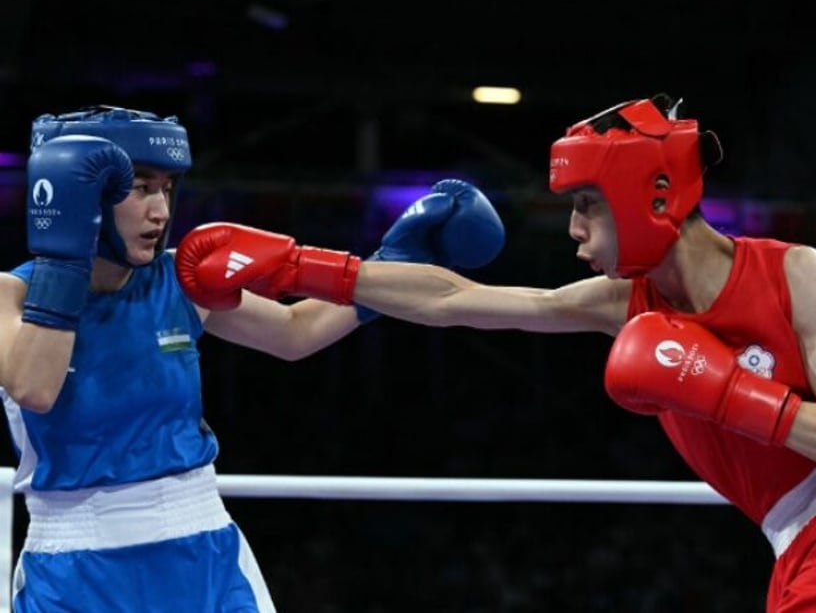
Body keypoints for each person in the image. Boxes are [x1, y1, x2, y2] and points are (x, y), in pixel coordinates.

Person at [177, 93, 816, 611]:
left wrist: (730, 392)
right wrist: (299, 267)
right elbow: (453, 300)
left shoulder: (793, 273)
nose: (574, 229)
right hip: (797, 547)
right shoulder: (620, 305)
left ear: (655, 195)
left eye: (588, 204)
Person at [0, 105, 505, 612]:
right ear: (77, 191)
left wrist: (392, 265)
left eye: (167, 188)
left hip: (202, 548)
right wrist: (64, 259)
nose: (160, 211)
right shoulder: (9, 296)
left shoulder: (177, 279)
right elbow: (36, 389)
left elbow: (296, 331)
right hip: (73, 566)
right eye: (140, 188)